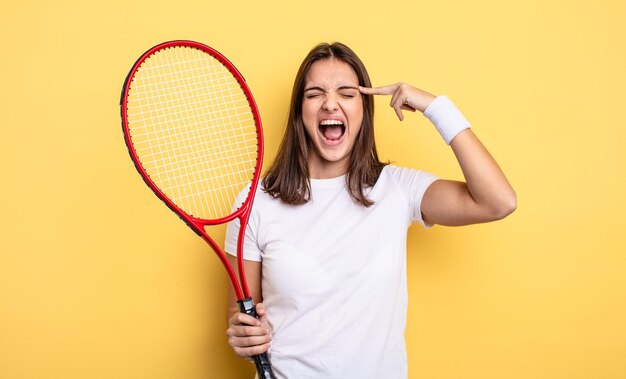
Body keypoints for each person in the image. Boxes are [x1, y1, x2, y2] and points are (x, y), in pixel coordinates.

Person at [224, 42, 516, 379]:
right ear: (298, 112)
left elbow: (499, 202)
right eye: (315, 93)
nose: (330, 103)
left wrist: (436, 107)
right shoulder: (256, 201)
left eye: (347, 93)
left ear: (364, 109)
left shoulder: (398, 189)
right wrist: (242, 335)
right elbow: (240, 313)